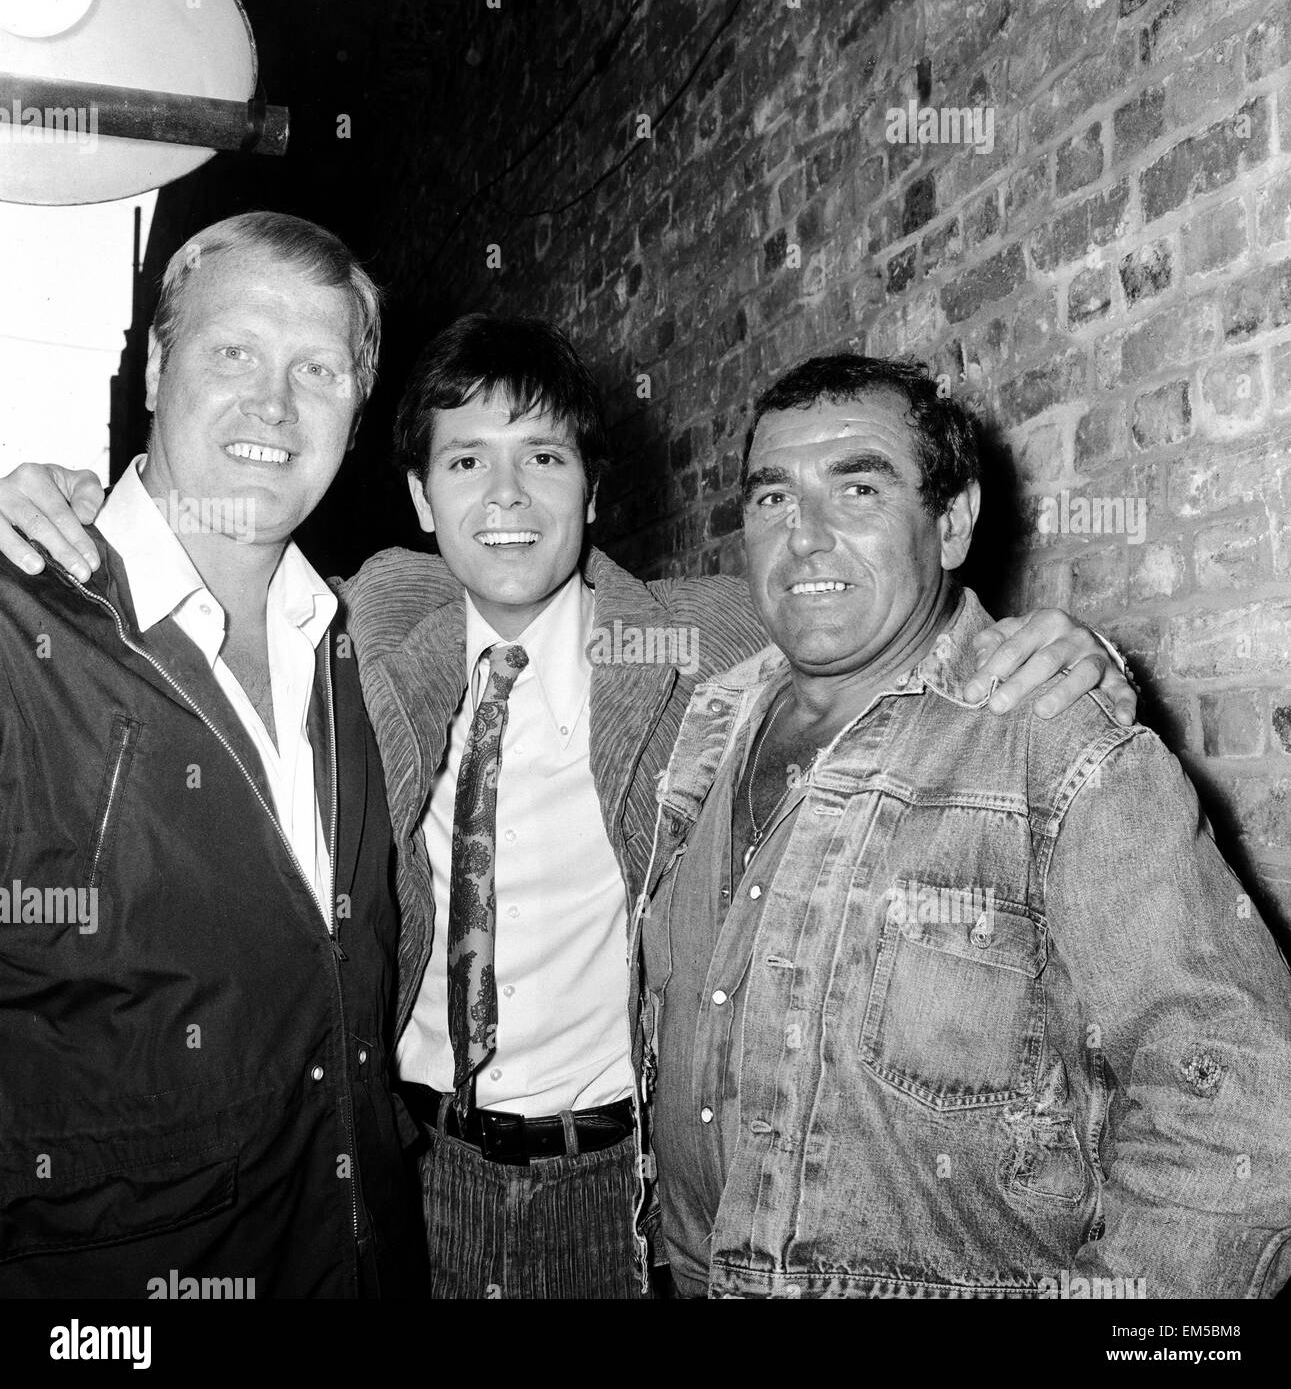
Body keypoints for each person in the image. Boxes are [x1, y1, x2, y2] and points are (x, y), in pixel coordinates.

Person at [0, 317, 1138, 1299]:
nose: (504, 499)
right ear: (415, 496)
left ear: (592, 489)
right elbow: (194, 578)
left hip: (619, 1189)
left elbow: (888, 622)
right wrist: (52, 509)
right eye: (464, 462)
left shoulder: (702, 640)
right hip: (411, 1173)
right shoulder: (344, 628)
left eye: (542, 457)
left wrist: (1072, 656)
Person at [642, 353, 1291, 1299]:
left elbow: (1247, 1109)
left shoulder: (1050, 738)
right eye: (771, 499)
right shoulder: (709, 719)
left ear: (950, 524)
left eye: (857, 488)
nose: (805, 538)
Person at [0, 212, 427, 1297]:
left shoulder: (347, 645)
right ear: (152, 366)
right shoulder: (19, 631)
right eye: (232, 350)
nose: (273, 405)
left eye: (317, 369)